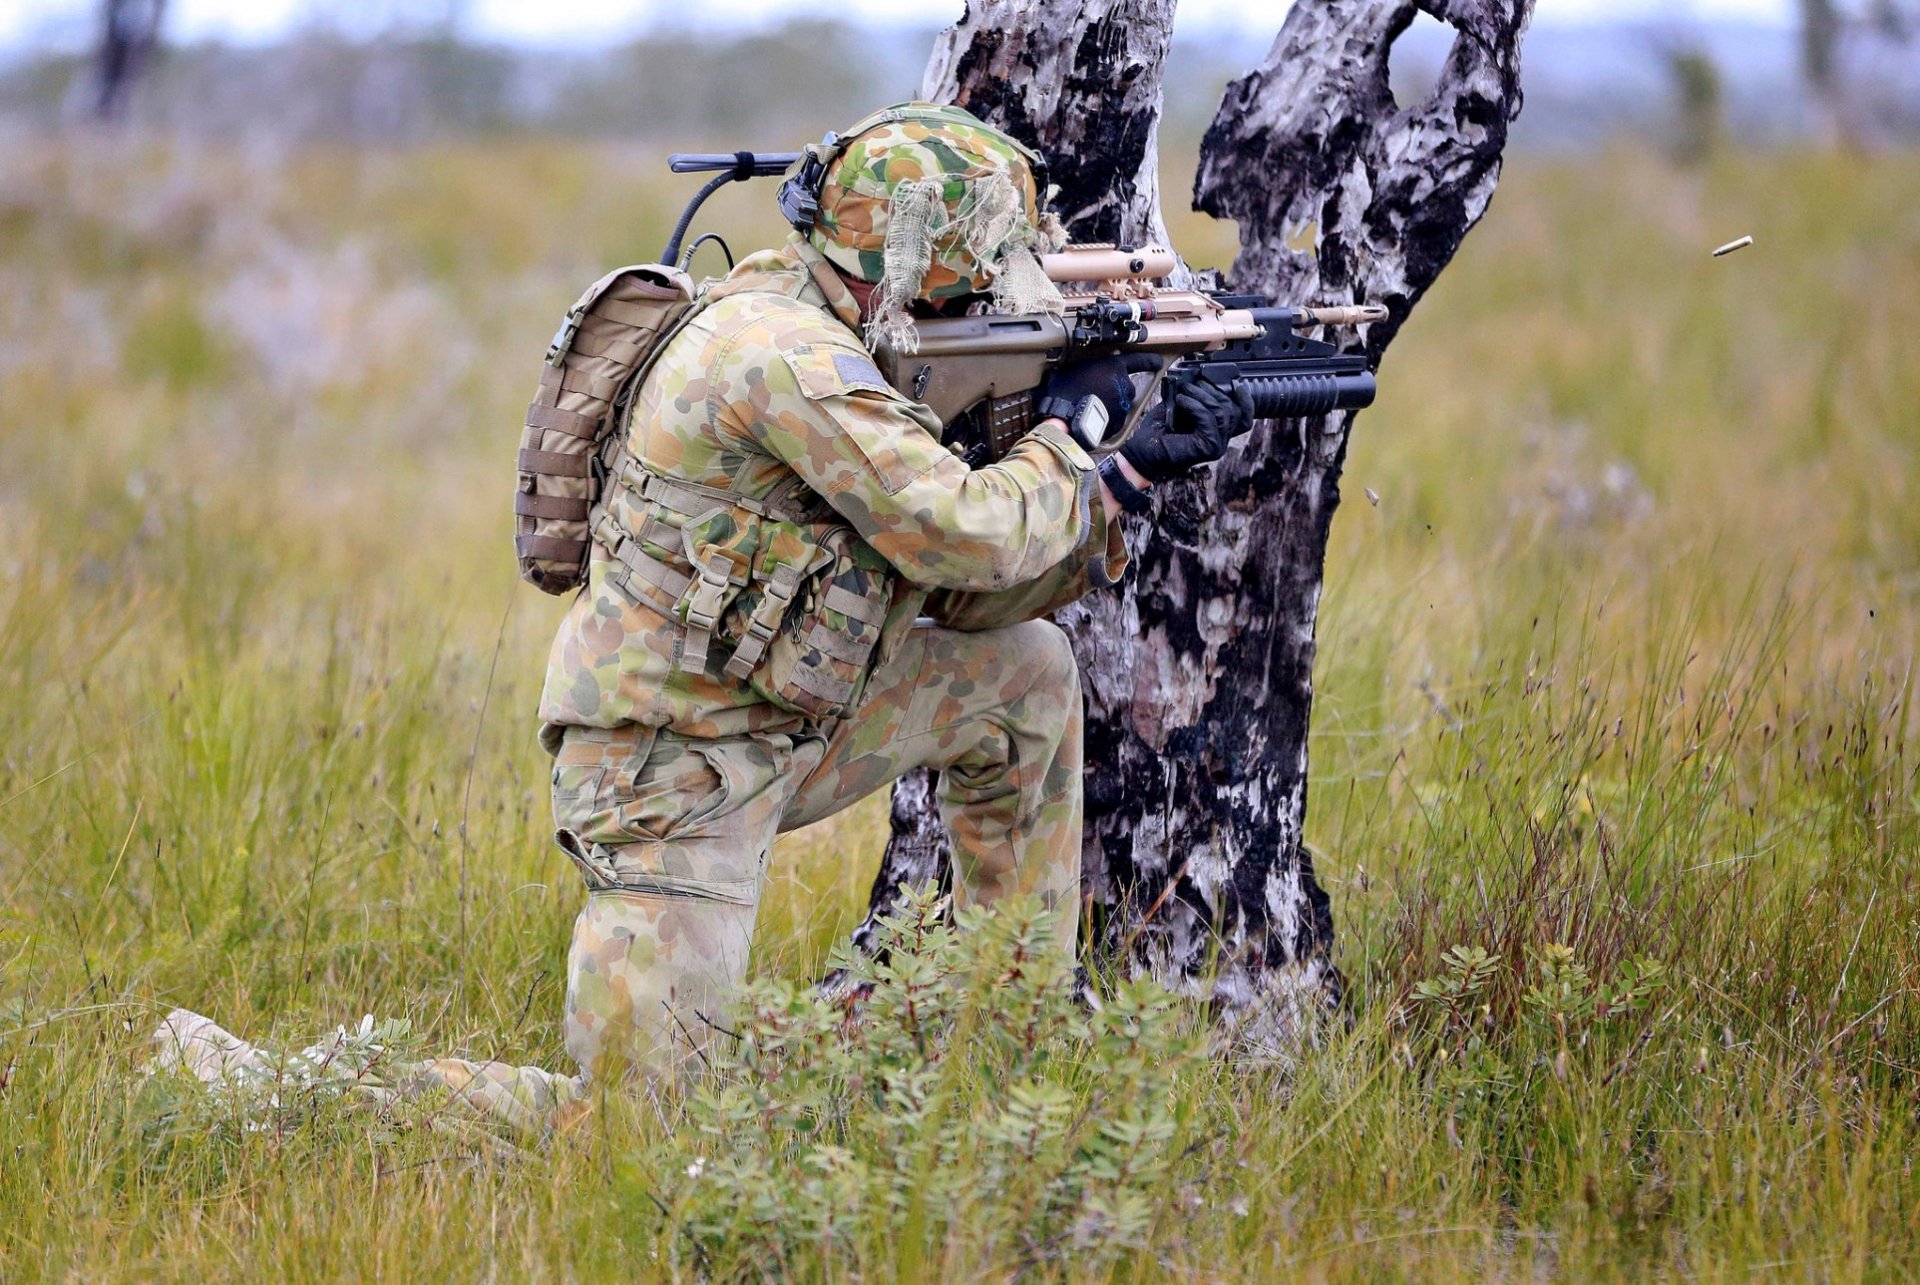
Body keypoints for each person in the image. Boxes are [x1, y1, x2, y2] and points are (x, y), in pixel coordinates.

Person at [151, 102, 1250, 1130]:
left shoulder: (818, 310)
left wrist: (1119, 487)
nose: (985, 313)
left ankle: (1008, 1057)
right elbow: (962, 531)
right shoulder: (783, 358)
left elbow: (955, 595)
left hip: (780, 723)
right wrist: (1089, 446)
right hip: (669, 776)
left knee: (1027, 674)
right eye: (976, 293)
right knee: (628, 1130)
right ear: (907, 275)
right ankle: (259, 1085)